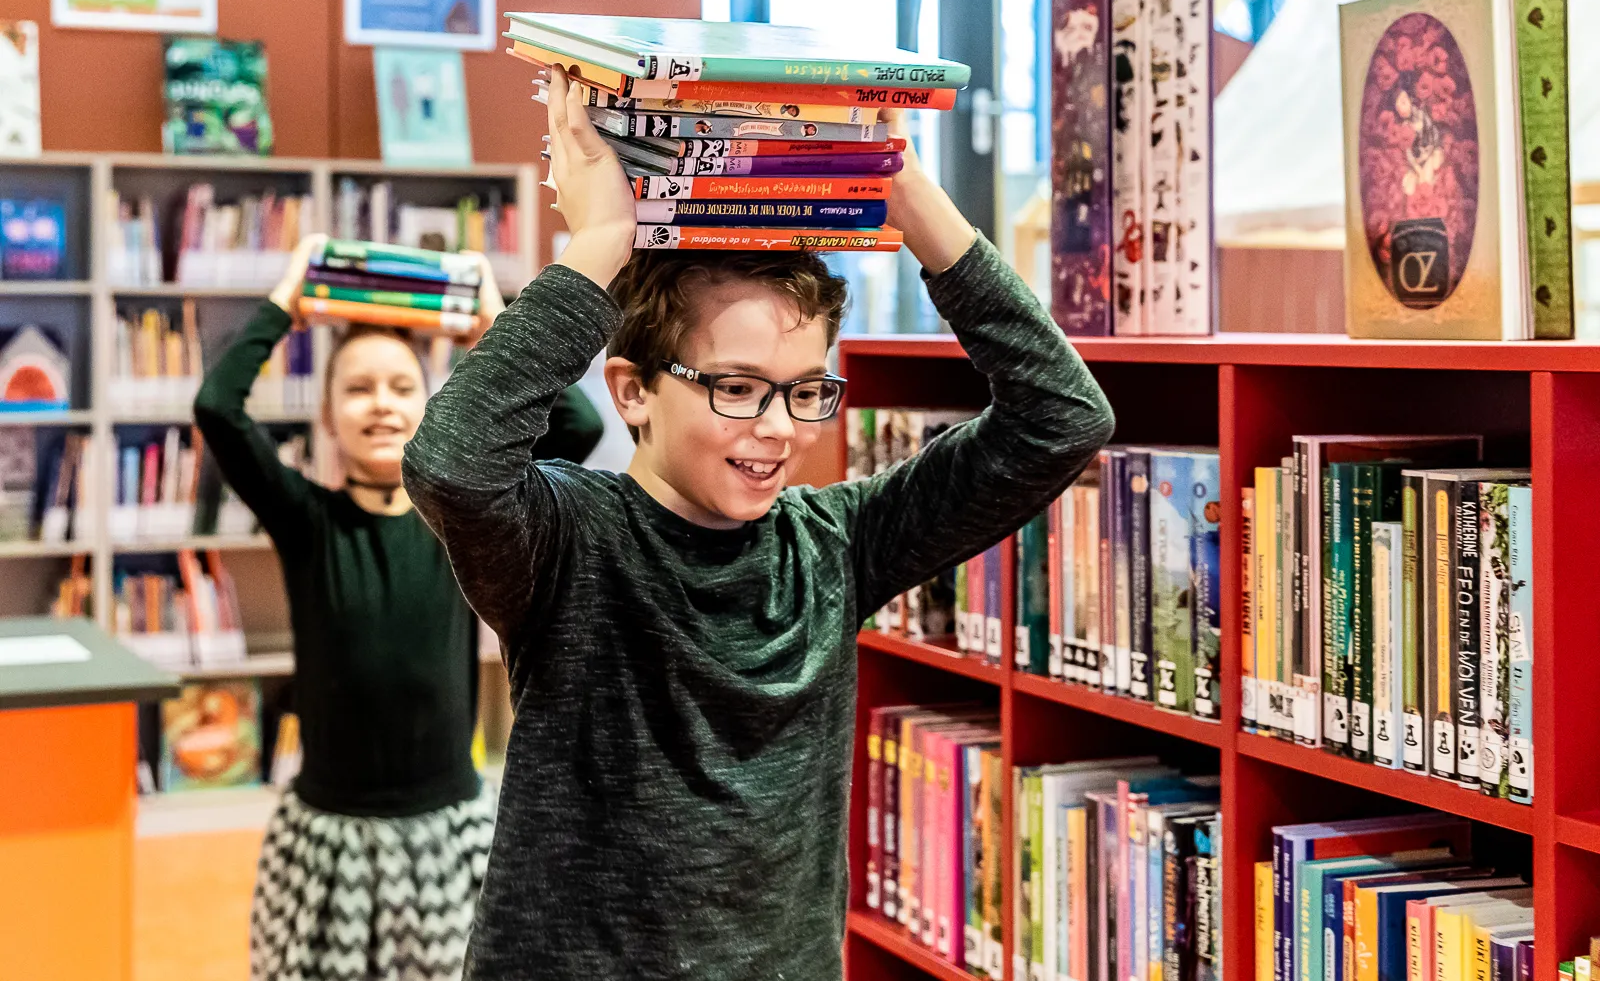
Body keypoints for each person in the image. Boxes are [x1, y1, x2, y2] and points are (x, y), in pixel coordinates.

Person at [402, 66, 1116, 980]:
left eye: (807, 391)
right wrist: (604, 241)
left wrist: (915, 202)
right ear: (634, 394)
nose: (779, 429)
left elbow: (1064, 418)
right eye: (736, 389)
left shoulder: (838, 543)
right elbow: (451, 462)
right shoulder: (569, 541)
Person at [192, 235, 605, 981]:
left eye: (401, 387)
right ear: (327, 416)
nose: (380, 404)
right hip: (328, 833)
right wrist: (290, 296)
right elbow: (217, 407)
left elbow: (578, 427)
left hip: (444, 828)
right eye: (357, 389)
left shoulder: (465, 514)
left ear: (434, 406)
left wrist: (492, 319)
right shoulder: (305, 518)